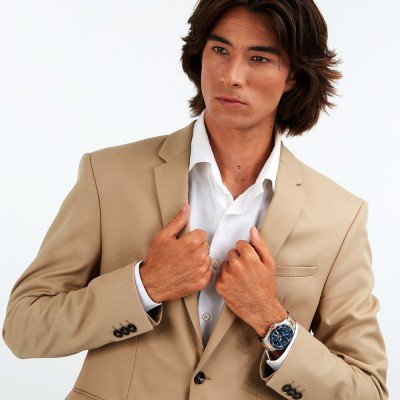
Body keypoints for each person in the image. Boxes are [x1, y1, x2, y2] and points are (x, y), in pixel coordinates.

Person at [2, 1, 388, 399]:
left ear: (293, 75)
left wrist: (272, 321)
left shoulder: (340, 218)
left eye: (259, 58)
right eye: (219, 50)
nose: (231, 76)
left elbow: (368, 391)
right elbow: (23, 328)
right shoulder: (108, 176)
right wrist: (144, 286)